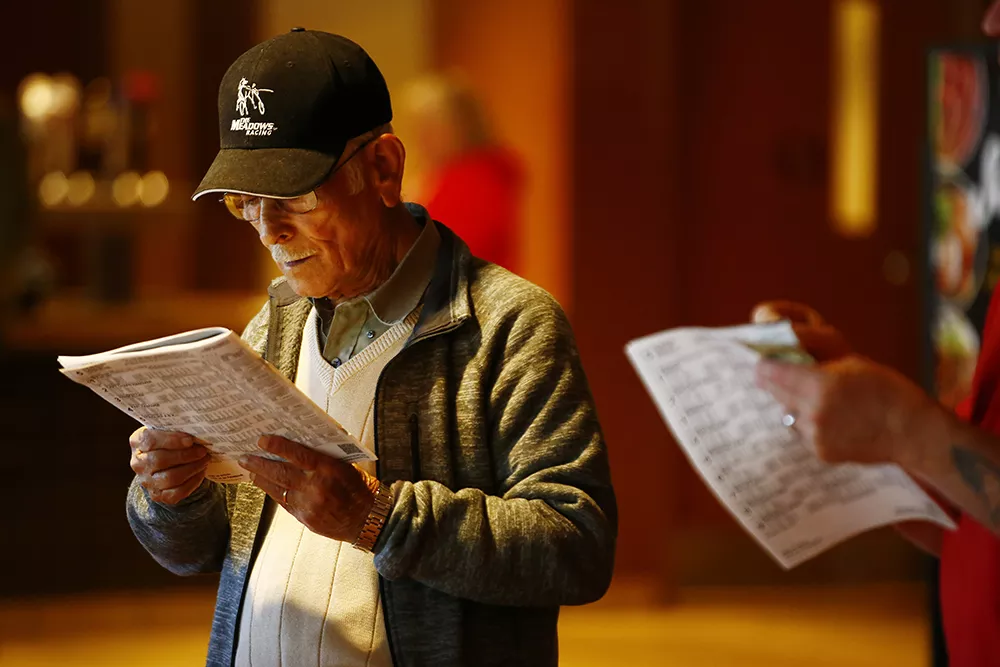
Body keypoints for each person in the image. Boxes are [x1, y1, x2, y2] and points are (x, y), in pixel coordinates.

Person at [125, 29, 616, 667]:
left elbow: (577, 549)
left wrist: (379, 518)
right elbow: (198, 551)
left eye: (295, 196)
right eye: (245, 203)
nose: (269, 230)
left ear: (383, 168)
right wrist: (172, 495)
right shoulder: (272, 326)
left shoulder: (507, 325)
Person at [401, 73, 524, 273]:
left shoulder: (479, 179)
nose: (422, 136)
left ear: (463, 126)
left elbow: (462, 249)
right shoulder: (435, 172)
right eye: (419, 125)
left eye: (433, 126)